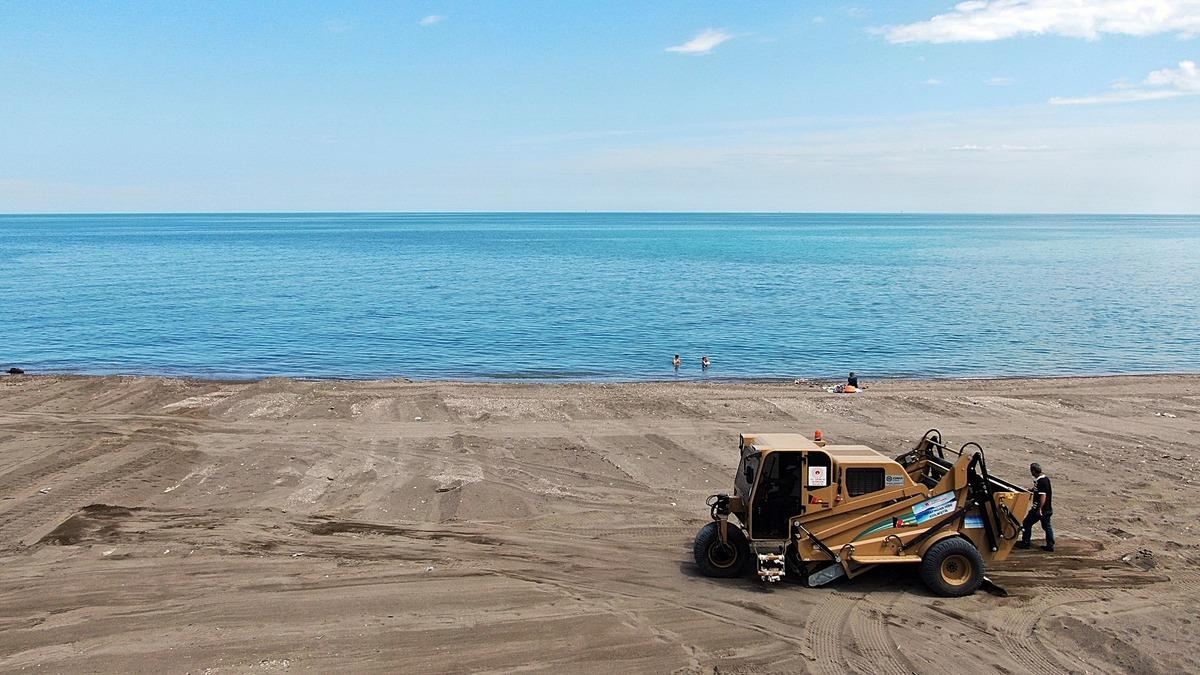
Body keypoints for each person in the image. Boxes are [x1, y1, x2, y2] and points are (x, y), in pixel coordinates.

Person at [1016, 462, 1055, 552]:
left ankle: (1025, 543)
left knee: (1026, 523)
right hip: (1047, 509)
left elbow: (1043, 496)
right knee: (1047, 526)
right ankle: (1050, 545)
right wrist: (1031, 490)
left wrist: (1039, 509)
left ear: (1033, 471)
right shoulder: (1044, 479)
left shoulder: (1041, 481)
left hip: (1040, 509)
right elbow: (1040, 490)